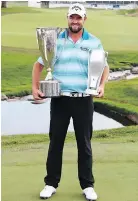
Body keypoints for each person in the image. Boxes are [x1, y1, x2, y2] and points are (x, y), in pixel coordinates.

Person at [32, 3, 109, 201]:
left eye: (79, 17)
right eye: (72, 17)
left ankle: (87, 185)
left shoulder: (93, 41)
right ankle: (50, 184)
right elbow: (39, 65)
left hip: (84, 100)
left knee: (84, 144)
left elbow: (104, 67)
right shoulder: (55, 39)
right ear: (67, 18)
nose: (75, 21)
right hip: (60, 100)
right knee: (55, 142)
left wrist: (101, 86)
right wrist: (34, 88)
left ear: (84, 19)